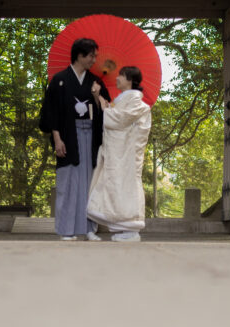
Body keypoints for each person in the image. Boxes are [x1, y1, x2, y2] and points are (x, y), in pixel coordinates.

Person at [39, 37, 110, 240]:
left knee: (90, 183)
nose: (94, 60)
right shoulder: (60, 80)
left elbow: (107, 111)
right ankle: (66, 229)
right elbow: (51, 113)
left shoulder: (95, 81)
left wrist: (97, 96)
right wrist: (57, 138)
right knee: (68, 182)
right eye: (91, 56)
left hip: (91, 137)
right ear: (80, 55)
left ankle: (89, 229)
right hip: (68, 135)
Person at [87, 65, 152, 242]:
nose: (117, 78)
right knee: (115, 186)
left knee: (126, 186)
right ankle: (121, 229)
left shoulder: (137, 103)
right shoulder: (124, 100)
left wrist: (105, 108)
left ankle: (131, 229)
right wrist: (100, 99)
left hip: (127, 155)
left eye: (121, 76)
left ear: (130, 80)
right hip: (118, 153)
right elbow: (116, 114)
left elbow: (119, 119)